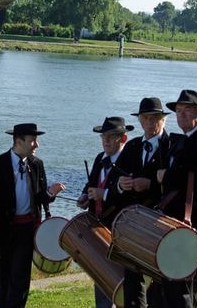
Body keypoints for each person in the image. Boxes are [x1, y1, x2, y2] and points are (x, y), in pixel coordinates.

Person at [0, 123, 65, 308]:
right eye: (33, 140)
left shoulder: (37, 164)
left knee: (21, 279)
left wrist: (50, 193)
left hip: (27, 230)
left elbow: (40, 197)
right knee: (3, 279)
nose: (36, 145)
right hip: (2, 231)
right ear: (19, 141)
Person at [156, 89, 197, 308]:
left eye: (187, 110)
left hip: (192, 222)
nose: (181, 115)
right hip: (179, 221)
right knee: (177, 283)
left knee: (179, 282)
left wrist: (167, 175)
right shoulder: (185, 139)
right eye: (178, 111)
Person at [116, 98, 170, 308]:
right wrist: (121, 184)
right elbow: (115, 181)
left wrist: (149, 184)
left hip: (160, 223)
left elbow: (178, 185)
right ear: (139, 120)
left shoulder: (172, 146)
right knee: (132, 280)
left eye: (154, 118)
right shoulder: (132, 146)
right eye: (145, 118)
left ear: (163, 120)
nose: (149, 122)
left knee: (160, 281)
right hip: (132, 223)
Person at [77, 116, 134, 308]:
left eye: (111, 137)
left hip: (120, 231)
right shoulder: (99, 159)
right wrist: (85, 195)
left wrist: (105, 194)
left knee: (122, 281)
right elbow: (91, 183)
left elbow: (132, 198)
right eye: (103, 137)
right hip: (97, 228)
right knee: (101, 277)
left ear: (123, 138)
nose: (105, 141)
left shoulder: (130, 161)